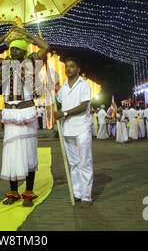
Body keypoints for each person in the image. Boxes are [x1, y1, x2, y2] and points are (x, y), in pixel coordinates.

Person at [0, 24, 49, 208]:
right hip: (10, 113)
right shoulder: (3, 64)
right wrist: (6, 36)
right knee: (11, 153)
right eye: (11, 49)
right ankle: (13, 192)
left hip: (27, 112)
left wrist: (27, 35)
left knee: (29, 153)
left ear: (24, 51)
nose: (12, 52)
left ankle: (28, 193)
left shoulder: (32, 64)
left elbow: (45, 48)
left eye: (16, 49)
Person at [55, 57, 93, 208]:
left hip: (82, 128)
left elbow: (83, 106)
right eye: (66, 67)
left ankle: (87, 196)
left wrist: (63, 113)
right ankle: (76, 193)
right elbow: (58, 101)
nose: (68, 69)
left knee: (85, 163)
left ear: (78, 69)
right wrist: (53, 93)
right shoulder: (63, 88)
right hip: (67, 130)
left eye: (72, 66)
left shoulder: (84, 85)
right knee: (73, 164)